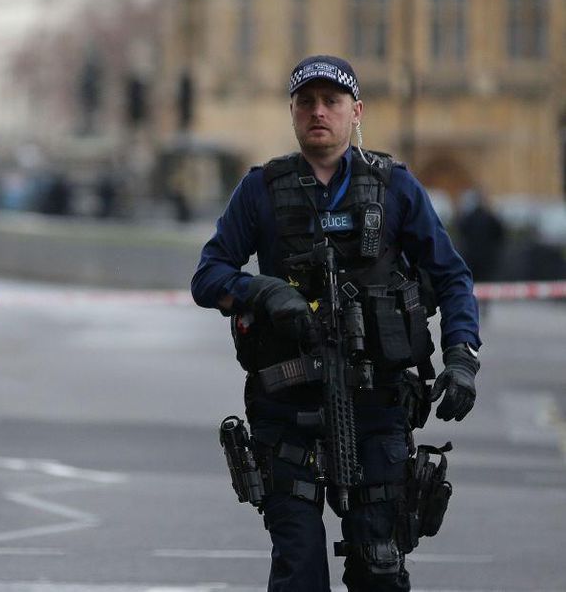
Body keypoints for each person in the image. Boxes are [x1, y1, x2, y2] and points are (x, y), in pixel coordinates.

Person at [192, 55, 481, 591]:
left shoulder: (395, 188)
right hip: (287, 411)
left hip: (376, 412)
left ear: (356, 112)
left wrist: (462, 359)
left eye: (331, 102)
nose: (317, 112)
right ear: (293, 113)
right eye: (306, 102)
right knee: (299, 571)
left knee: (379, 569)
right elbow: (208, 275)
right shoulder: (261, 189)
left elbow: (452, 277)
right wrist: (261, 289)